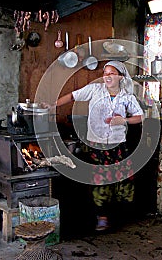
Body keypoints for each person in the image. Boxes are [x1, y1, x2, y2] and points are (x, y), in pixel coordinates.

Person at [42, 61, 144, 231]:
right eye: (105, 73)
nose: (107, 76)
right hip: (97, 145)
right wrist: (53, 105)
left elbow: (140, 116)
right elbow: (72, 96)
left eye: (112, 73)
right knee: (100, 180)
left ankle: (118, 215)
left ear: (120, 76)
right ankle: (101, 217)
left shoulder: (127, 97)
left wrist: (124, 120)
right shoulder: (95, 90)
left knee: (120, 180)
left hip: (118, 144)